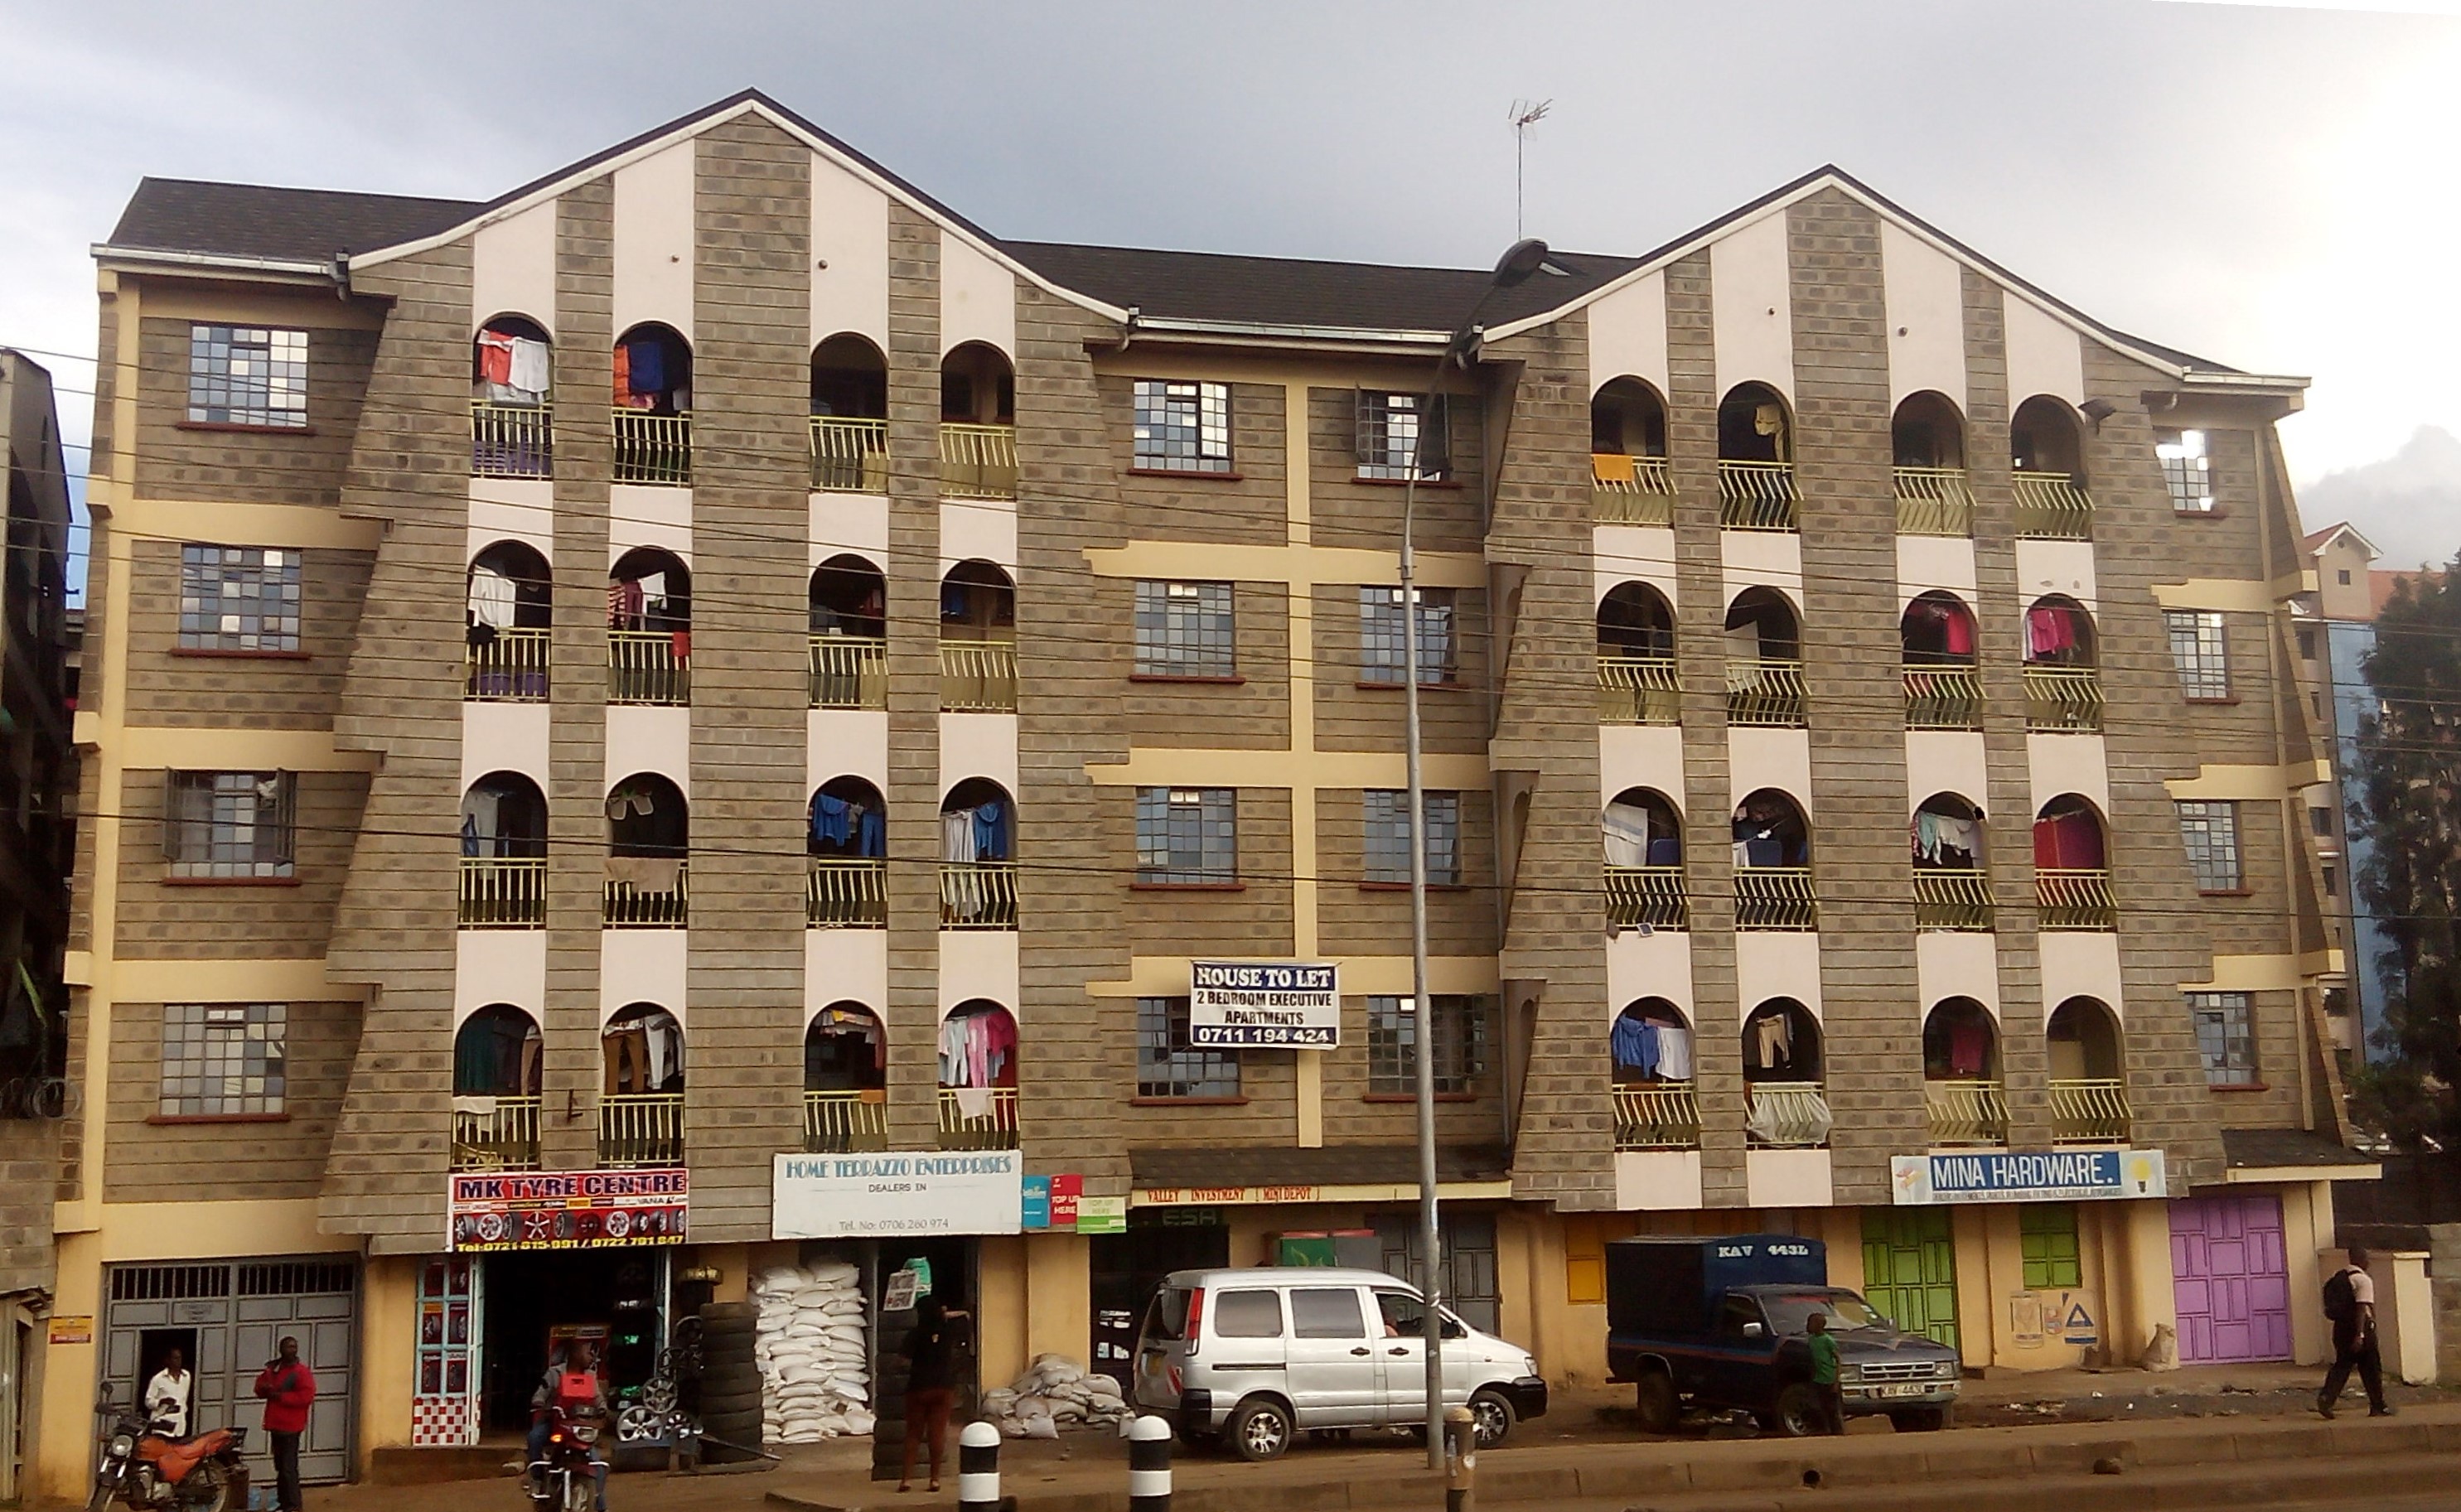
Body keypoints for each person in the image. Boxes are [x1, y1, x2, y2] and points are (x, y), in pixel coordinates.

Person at [897, 1297, 970, 1494]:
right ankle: (935, 1480)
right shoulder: (948, 1333)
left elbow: (902, 1361)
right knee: (937, 1434)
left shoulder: (914, 1334)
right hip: (943, 1388)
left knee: (913, 1434)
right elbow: (958, 1322)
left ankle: (906, 1480)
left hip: (918, 1387)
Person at [528, 1339, 611, 1512]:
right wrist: (541, 1405)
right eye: (589, 1353)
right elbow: (539, 1395)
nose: (592, 1358)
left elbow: (598, 1400)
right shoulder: (554, 1373)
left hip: (580, 1429)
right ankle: (537, 1479)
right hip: (554, 1423)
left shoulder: (590, 1377)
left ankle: (600, 1506)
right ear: (575, 1354)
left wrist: (603, 1409)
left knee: (596, 1464)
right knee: (535, 1438)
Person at [2318, 1248, 2393, 1418]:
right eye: (2367, 1258)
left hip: (2340, 1328)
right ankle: (2378, 1405)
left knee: (2342, 1365)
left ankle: (2326, 1397)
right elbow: (2362, 1307)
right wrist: (2360, 1334)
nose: (2369, 1262)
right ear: (2361, 1259)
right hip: (2359, 1328)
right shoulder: (2363, 1280)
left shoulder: (2340, 1277)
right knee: (2372, 1367)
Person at [254, 1336, 317, 1512]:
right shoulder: (274, 1369)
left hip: (291, 1427)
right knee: (280, 1467)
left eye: (294, 1346)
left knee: (289, 1468)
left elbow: (306, 1396)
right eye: (289, 1346)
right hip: (276, 1425)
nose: (292, 1350)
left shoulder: (301, 1372)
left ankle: (294, 1506)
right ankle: (284, 1504)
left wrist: (281, 1397)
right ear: (281, 1349)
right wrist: (265, 1389)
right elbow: (259, 1388)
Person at [1804, 1312, 1845, 1435]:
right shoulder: (1811, 1340)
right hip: (1818, 1379)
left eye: (1810, 1324)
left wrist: (1836, 1381)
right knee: (1816, 1406)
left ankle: (1837, 1432)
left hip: (1829, 1378)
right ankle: (1822, 1430)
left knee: (1832, 1409)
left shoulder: (1828, 1340)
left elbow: (1838, 1360)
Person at [142, 1347, 192, 1438]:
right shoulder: (158, 1379)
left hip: (179, 1424)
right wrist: (161, 1402)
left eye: (180, 1358)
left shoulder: (186, 1376)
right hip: (162, 1423)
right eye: (175, 1358)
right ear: (168, 1360)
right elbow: (148, 1401)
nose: (178, 1361)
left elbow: (184, 1397)